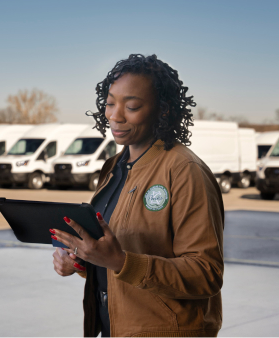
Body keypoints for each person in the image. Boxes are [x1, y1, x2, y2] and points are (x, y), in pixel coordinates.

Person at [51, 54, 224, 337]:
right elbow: (113, 256)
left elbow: (206, 274)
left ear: (163, 110)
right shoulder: (113, 168)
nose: (115, 115)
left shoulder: (184, 170)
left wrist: (122, 262)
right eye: (109, 104)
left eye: (131, 106)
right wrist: (82, 260)